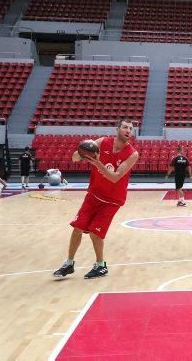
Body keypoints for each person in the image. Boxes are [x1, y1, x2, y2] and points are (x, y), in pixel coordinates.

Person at [53, 119, 139, 280]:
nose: (128, 130)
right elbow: (74, 158)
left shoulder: (132, 154)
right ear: (117, 129)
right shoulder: (101, 142)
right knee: (77, 227)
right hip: (93, 194)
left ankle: (101, 265)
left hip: (113, 200)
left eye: (131, 129)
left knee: (95, 232)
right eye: (125, 127)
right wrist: (82, 152)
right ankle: (69, 263)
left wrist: (96, 162)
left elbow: (115, 177)